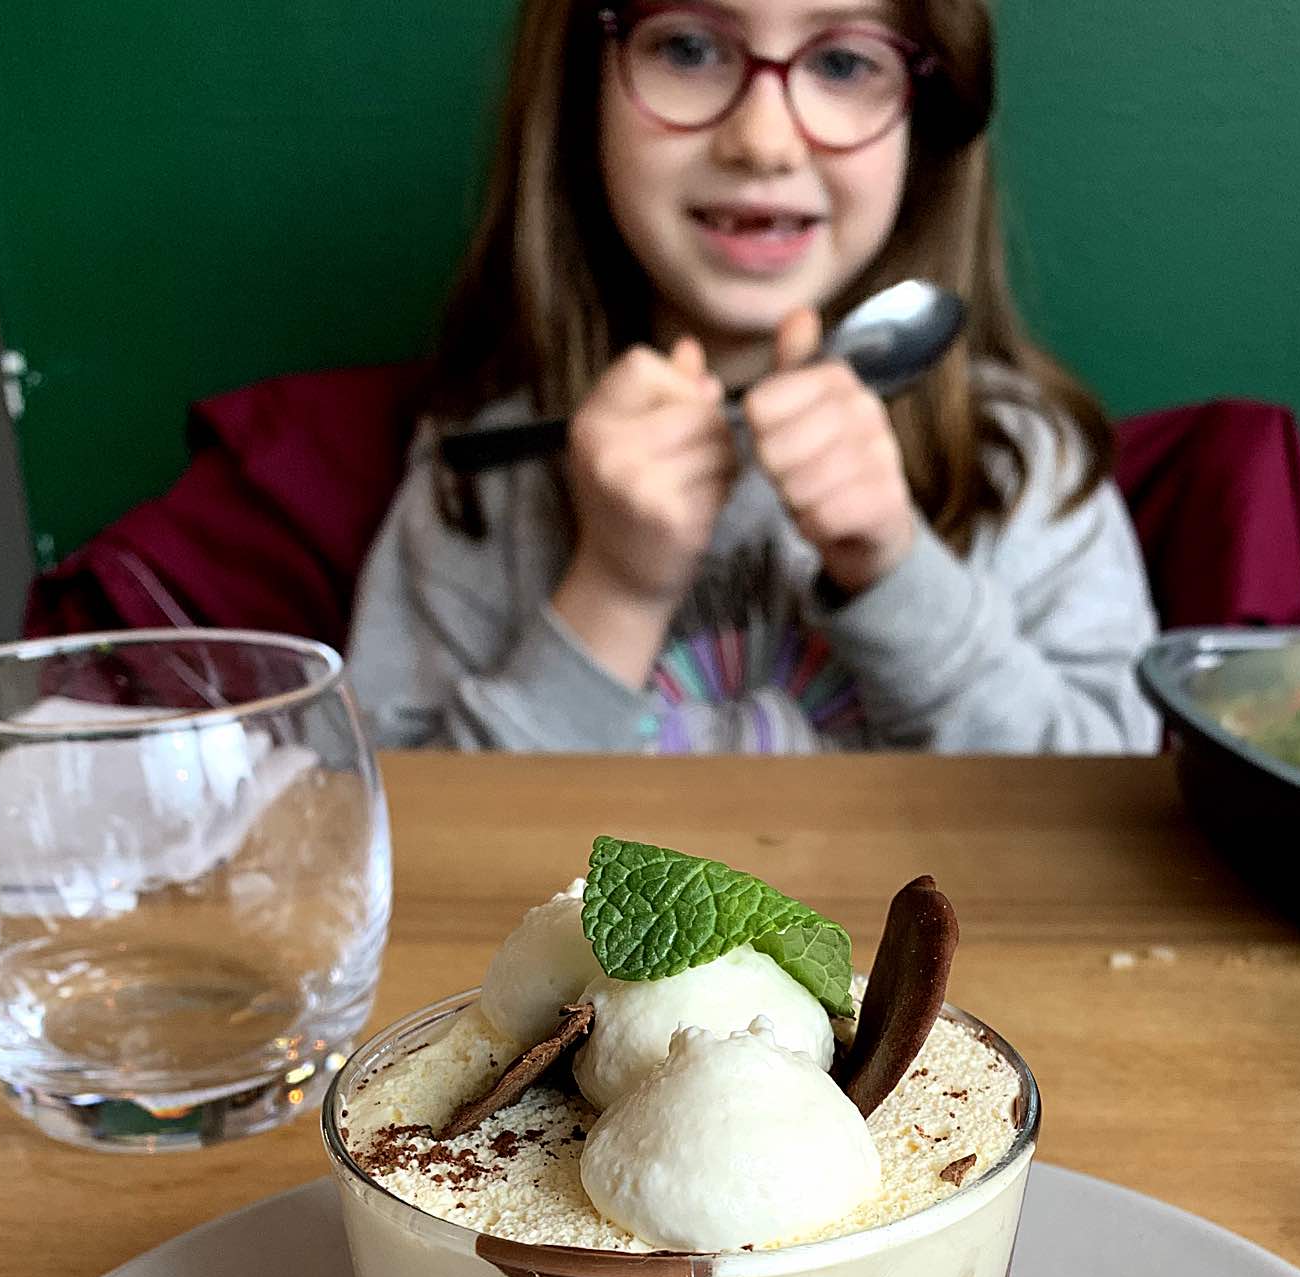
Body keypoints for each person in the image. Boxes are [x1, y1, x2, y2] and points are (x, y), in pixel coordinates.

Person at [348, 0, 1158, 754]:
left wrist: (895, 570)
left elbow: (1106, 811)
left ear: (927, 112)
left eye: (842, 63)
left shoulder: (1021, 462)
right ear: (581, 90)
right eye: (688, 49)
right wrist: (615, 592)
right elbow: (382, 828)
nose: (763, 141)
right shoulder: (482, 478)